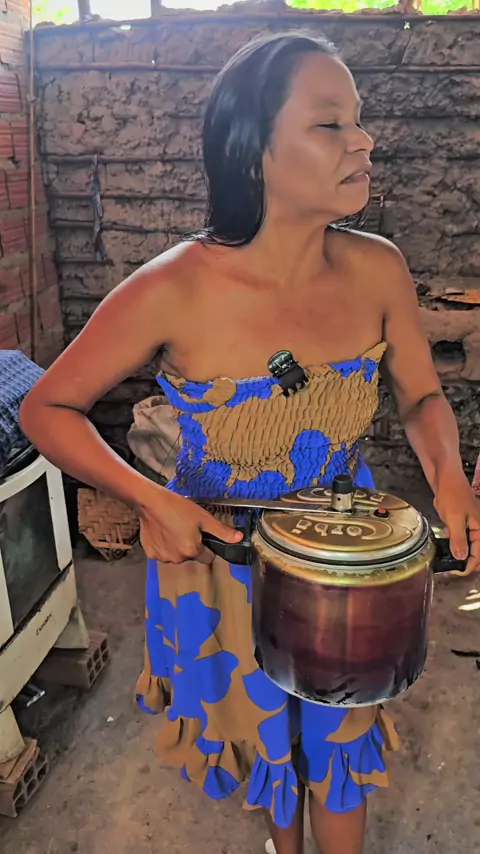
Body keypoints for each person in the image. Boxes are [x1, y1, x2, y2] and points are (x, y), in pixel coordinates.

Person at [20, 32, 480, 854]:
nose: (363, 140)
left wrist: (448, 474)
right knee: (269, 745)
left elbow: (418, 394)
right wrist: (150, 500)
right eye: (330, 124)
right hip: (218, 566)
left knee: (340, 740)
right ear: (252, 153)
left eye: (359, 120)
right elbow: (47, 407)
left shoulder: (379, 270)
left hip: (344, 563)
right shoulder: (174, 288)